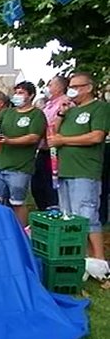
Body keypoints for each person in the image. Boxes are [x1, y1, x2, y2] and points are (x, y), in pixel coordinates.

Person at [48, 72, 109, 271]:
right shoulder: (70, 111)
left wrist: (64, 141)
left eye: (76, 86)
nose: (71, 90)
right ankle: (81, 257)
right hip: (65, 170)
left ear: (89, 87)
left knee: (87, 214)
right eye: (70, 86)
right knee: (70, 216)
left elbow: (96, 136)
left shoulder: (99, 108)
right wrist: (61, 114)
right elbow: (54, 134)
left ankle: (99, 261)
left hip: (85, 170)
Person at [0, 82, 45, 227]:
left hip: (20, 167)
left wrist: (10, 141)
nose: (17, 96)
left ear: (31, 95)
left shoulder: (36, 114)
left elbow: (34, 137)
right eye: (16, 92)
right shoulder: (7, 112)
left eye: (21, 93)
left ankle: (22, 232)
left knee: (17, 203)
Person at [35, 75, 69, 210]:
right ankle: (43, 211)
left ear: (60, 87)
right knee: (37, 184)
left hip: (54, 149)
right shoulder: (48, 104)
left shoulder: (65, 103)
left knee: (50, 183)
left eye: (51, 85)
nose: (48, 88)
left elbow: (54, 124)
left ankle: (53, 210)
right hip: (43, 148)